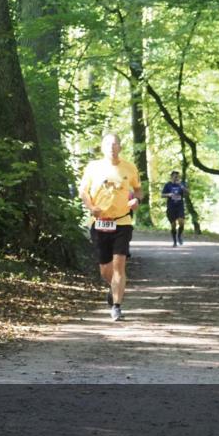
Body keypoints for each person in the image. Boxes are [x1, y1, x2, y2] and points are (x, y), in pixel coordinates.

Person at [78, 132, 141, 321]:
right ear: (102, 147)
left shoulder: (129, 167)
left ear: (120, 147)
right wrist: (92, 208)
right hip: (99, 223)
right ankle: (113, 287)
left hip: (122, 222)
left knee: (119, 265)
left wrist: (136, 200)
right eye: (108, 144)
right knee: (105, 270)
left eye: (115, 144)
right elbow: (83, 191)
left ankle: (116, 306)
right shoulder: (93, 167)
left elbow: (138, 189)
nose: (112, 148)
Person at [161, 171, 189, 246]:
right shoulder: (168, 185)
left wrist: (182, 186)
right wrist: (169, 194)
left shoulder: (182, 184)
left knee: (181, 222)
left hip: (180, 206)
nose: (176, 178)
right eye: (175, 176)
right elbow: (162, 195)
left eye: (177, 176)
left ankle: (179, 236)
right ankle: (175, 241)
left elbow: (187, 193)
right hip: (171, 207)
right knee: (173, 225)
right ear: (171, 177)